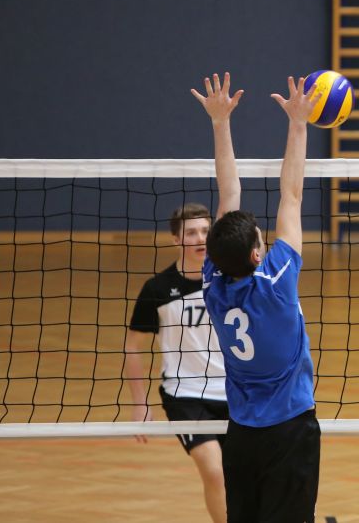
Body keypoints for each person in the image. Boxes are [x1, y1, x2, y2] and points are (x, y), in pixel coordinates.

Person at [192, 72, 323, 521]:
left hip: (242, 433)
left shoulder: (212, 282)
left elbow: (228, 194)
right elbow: (292, 194)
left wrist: (219, 122)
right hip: (290, 430)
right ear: (256, 253)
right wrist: (299, 123)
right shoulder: (277, 279)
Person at [124, 202, 227, 523]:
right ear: (175, 239)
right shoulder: (157, 289)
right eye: (191, 232)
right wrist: (140, 404)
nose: (200, 238)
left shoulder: (230, 281)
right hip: (185, 395)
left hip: (235, 392)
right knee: (214, 472)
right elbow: (132, 346)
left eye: (206, 231)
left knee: (243, 474)